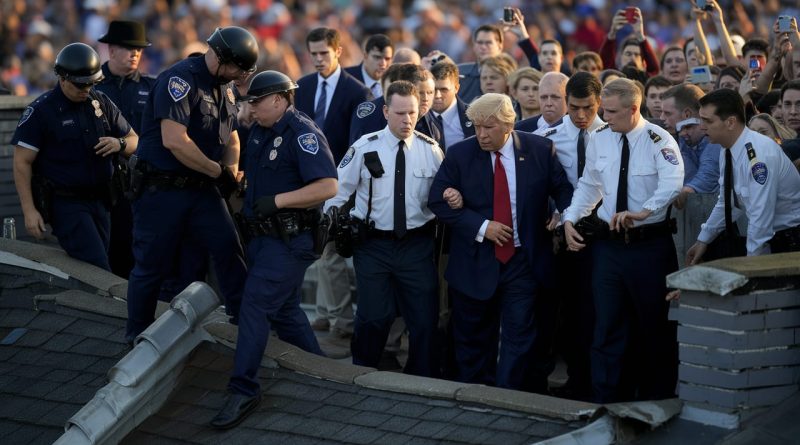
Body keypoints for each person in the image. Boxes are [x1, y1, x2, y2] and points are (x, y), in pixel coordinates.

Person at [211, 71, 338, 429]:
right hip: (262, 239)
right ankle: (323, 372)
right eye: (249, 101)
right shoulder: (262, 131)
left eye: (257, 101)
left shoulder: (302, 133)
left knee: (254, 306)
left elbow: (328, 185)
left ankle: (244, 388)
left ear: (280, 100)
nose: (251, 107)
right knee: (285, 311)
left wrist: (280, 201)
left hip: (289, 241)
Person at [428, 93, 573, 391]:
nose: (480, 134)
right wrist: (481, 226)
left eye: (488, 127)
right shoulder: (460, 154)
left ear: (509, 124)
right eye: (476, 126)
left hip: (523, 261)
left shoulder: (540, 149)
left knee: (519, 336)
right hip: (474, 262)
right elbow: (436, 200)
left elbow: (564, 190)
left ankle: (508, 397)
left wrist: (562, 213)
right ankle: (474, 398)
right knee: (473, 340)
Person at [125, 26, 257, 343]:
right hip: (163, 189)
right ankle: (135, 336)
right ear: (224, 59)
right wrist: (217, 171)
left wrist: (231, 171)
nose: (241, 77)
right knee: (151, 266)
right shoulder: (180, 80)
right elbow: (175, 141)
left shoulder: (224, 88)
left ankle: (245, 328)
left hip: (202, 188)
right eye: (239, 68)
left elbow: (233, 135)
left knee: (229, 251)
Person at [563, 78, 684, 403]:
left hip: (649, 247)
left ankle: (656, 399)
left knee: (653, 327)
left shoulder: (659, 140)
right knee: (607, 326)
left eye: (612, 111)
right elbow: (590, 185)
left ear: (633, 109)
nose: (605, 116)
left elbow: (673, 183)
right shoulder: (600, 139)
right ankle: (607, 400)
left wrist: (645, 212)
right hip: (609, 247)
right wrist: (570, 217)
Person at [324, 81, 443, 377]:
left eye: (412, 113)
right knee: (374, 317)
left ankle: (421, 378)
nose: (407, 120)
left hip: (416, 245)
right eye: (400, 113)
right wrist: (332, 221)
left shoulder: (431, 151)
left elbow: (443, 196)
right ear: (386, 111)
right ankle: (361, 373)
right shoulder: (365, 147)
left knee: (425, 320)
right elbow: (338, 191)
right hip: (373, 244)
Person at [12, 43, 137, 270]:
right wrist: (29, 211)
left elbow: (134, 140)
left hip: (103, 200)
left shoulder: (101, 102)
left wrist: (118, 144)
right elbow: (22, 162)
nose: (86, 89)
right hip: (67, 203)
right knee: (97, 266)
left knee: (111, 262)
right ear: (62, 78)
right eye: (80, 85)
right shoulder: (41, 112)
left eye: (91, 83)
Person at [296, 27, 369, 336]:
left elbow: (355, 142)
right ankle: (326, 312)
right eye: (313, 53)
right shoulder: (303, 85)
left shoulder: (356, 91)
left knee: (330, 250)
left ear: (338, 51)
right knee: (318, 249)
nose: (317, 59)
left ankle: (341, 320)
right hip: (308, 179)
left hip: (340, 180)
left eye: (323, 53)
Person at [538, 72, 605, 400]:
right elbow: (542, 184)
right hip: (560, 237)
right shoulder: (546, 136)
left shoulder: (610, 135)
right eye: (574, 107)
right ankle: (572, 378)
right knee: (564, 311)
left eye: (588, 108)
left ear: (599, 103)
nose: (580, 115)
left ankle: (593, 380)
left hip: (601, 236)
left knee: (594, 311)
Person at [687, 89, 800, 262]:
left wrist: (751, 266)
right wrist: (704, 239)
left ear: (730, 122)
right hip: (774, 240)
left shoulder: (758, 154)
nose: (702, 127)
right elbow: (727, 202)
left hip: (790, 242)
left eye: (708, 121)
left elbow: (760, 218)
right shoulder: (728, 148)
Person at [94, 20, 156, 278]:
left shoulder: (152, 88)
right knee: (104, 254)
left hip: (142, 185)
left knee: (143, 253)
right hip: (101, 183)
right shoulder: (91, 86)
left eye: (139, 49)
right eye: (129, 47)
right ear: (111, 50)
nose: (135, 53)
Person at [659, 84, 721, 208]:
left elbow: (708, 175)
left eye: (667, 113)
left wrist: (686, 191)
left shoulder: (716, 138)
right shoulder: (682, 137)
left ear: (687, 114)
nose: (661, 118)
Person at [430, 61, 475, 151]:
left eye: (444, 90)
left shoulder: (474, 117)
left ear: (456, 88)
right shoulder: (417, 119)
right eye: (433, 90)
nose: (437, 95)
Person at [344, 34, 393, 99]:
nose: (383, 63)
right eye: (377, 57)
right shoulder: (345, 78)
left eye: (387, 59)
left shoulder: (394, 82)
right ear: (365, 56)